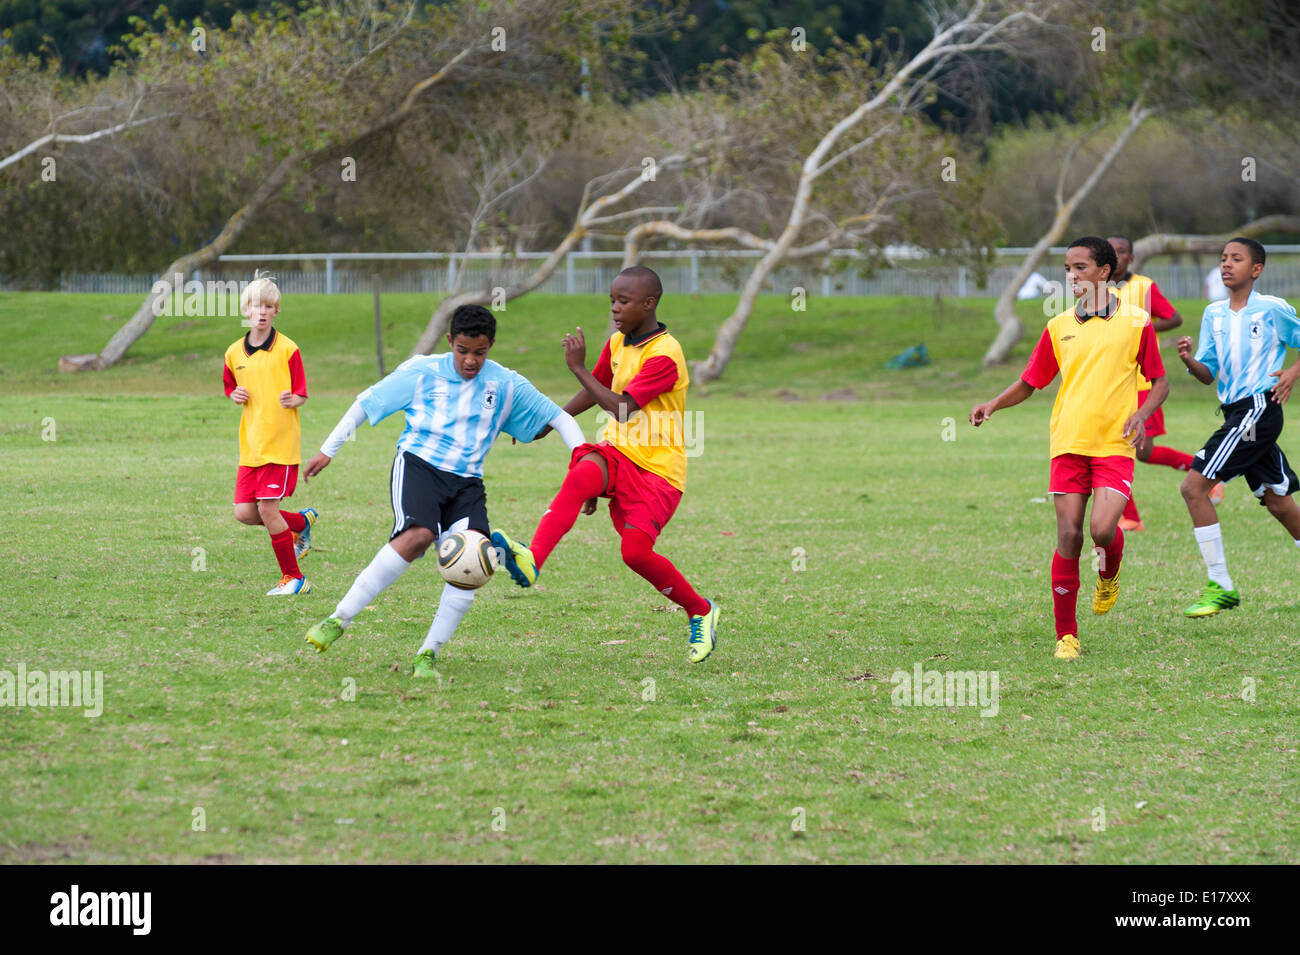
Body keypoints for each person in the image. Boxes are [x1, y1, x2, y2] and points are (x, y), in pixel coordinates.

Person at [301, 304, 584, 677]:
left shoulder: (505, 384)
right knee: (417, 536)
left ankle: (427, 655)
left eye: (480, 352)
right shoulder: (422, 372)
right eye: (463, 350)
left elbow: (560, 419)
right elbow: (365, 404)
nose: (470, 360)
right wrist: (327, 450)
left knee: (472, 563)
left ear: (491, 346)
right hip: (420, 467)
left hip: (467, 483)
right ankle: (339, 619)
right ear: (450, 341)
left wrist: (582, 464)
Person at [490, 266, 721, 663]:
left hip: (658, 471)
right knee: (581, 476)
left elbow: (621, 407)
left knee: (634, 554)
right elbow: (593, 391)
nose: (615, 308)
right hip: (617, 452)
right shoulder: (617, 343)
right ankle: (531, 562)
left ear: (649, 304)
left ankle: (701, 610)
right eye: (612, 300)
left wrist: (577, 367)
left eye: (624, 301)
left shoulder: (666, 355)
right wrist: (549, 424)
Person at [970, 237, 1169, 659]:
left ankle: (1110, 570)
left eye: (1080, 267)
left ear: (1104, 271)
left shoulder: (1136, 321)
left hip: (1115, 444)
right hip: (1068, 442)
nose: (1071, 276)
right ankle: (1067, 636)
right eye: (1068, 268)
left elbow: (1160, 381)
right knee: (1069, 533)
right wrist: (993, 405)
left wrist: (1141, 414)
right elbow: (1031, 381)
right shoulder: (1059, 326)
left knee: (1101, 530)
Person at [1176, 238, 1300, 617]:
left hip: (1260, 408)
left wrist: (1293, 371)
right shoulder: (1213, 314)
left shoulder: (1273, 310)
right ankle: (1222, 585)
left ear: (1257, 269)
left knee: (1194, 487)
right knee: (1278, 502)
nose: (1226, 264)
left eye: (1237, 258)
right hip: (1236, 413)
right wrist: (1187, 358)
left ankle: (1221, 585)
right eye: (1223, 258)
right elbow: (1207, 373)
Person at [1106, 235, 1223, 531]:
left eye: (1122, 251)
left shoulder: (1143, 287)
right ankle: (1208, 477)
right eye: (1110, 251)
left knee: (1124, 449)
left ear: (1131, 259)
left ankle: (1206, 476)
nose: (1116, 256)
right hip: (1110, 382)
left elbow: (1174, 317)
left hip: (1142, 383)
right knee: (1129, 450)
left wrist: (1140, 325)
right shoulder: (1098, 291)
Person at [223, 274, 317, 596]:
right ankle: (300, 523)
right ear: (245, 311)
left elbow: (303, 392)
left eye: (268, 306)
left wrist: (296, 399)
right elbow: (230, 387)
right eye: (254, 306)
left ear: (276, 311)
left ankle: (294, 578)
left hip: (280, 446)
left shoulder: (289, 349)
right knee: (244, 513)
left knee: (266, 509)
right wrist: (234, 394)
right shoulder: (234, 353)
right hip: (251, 447)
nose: (261, 312)